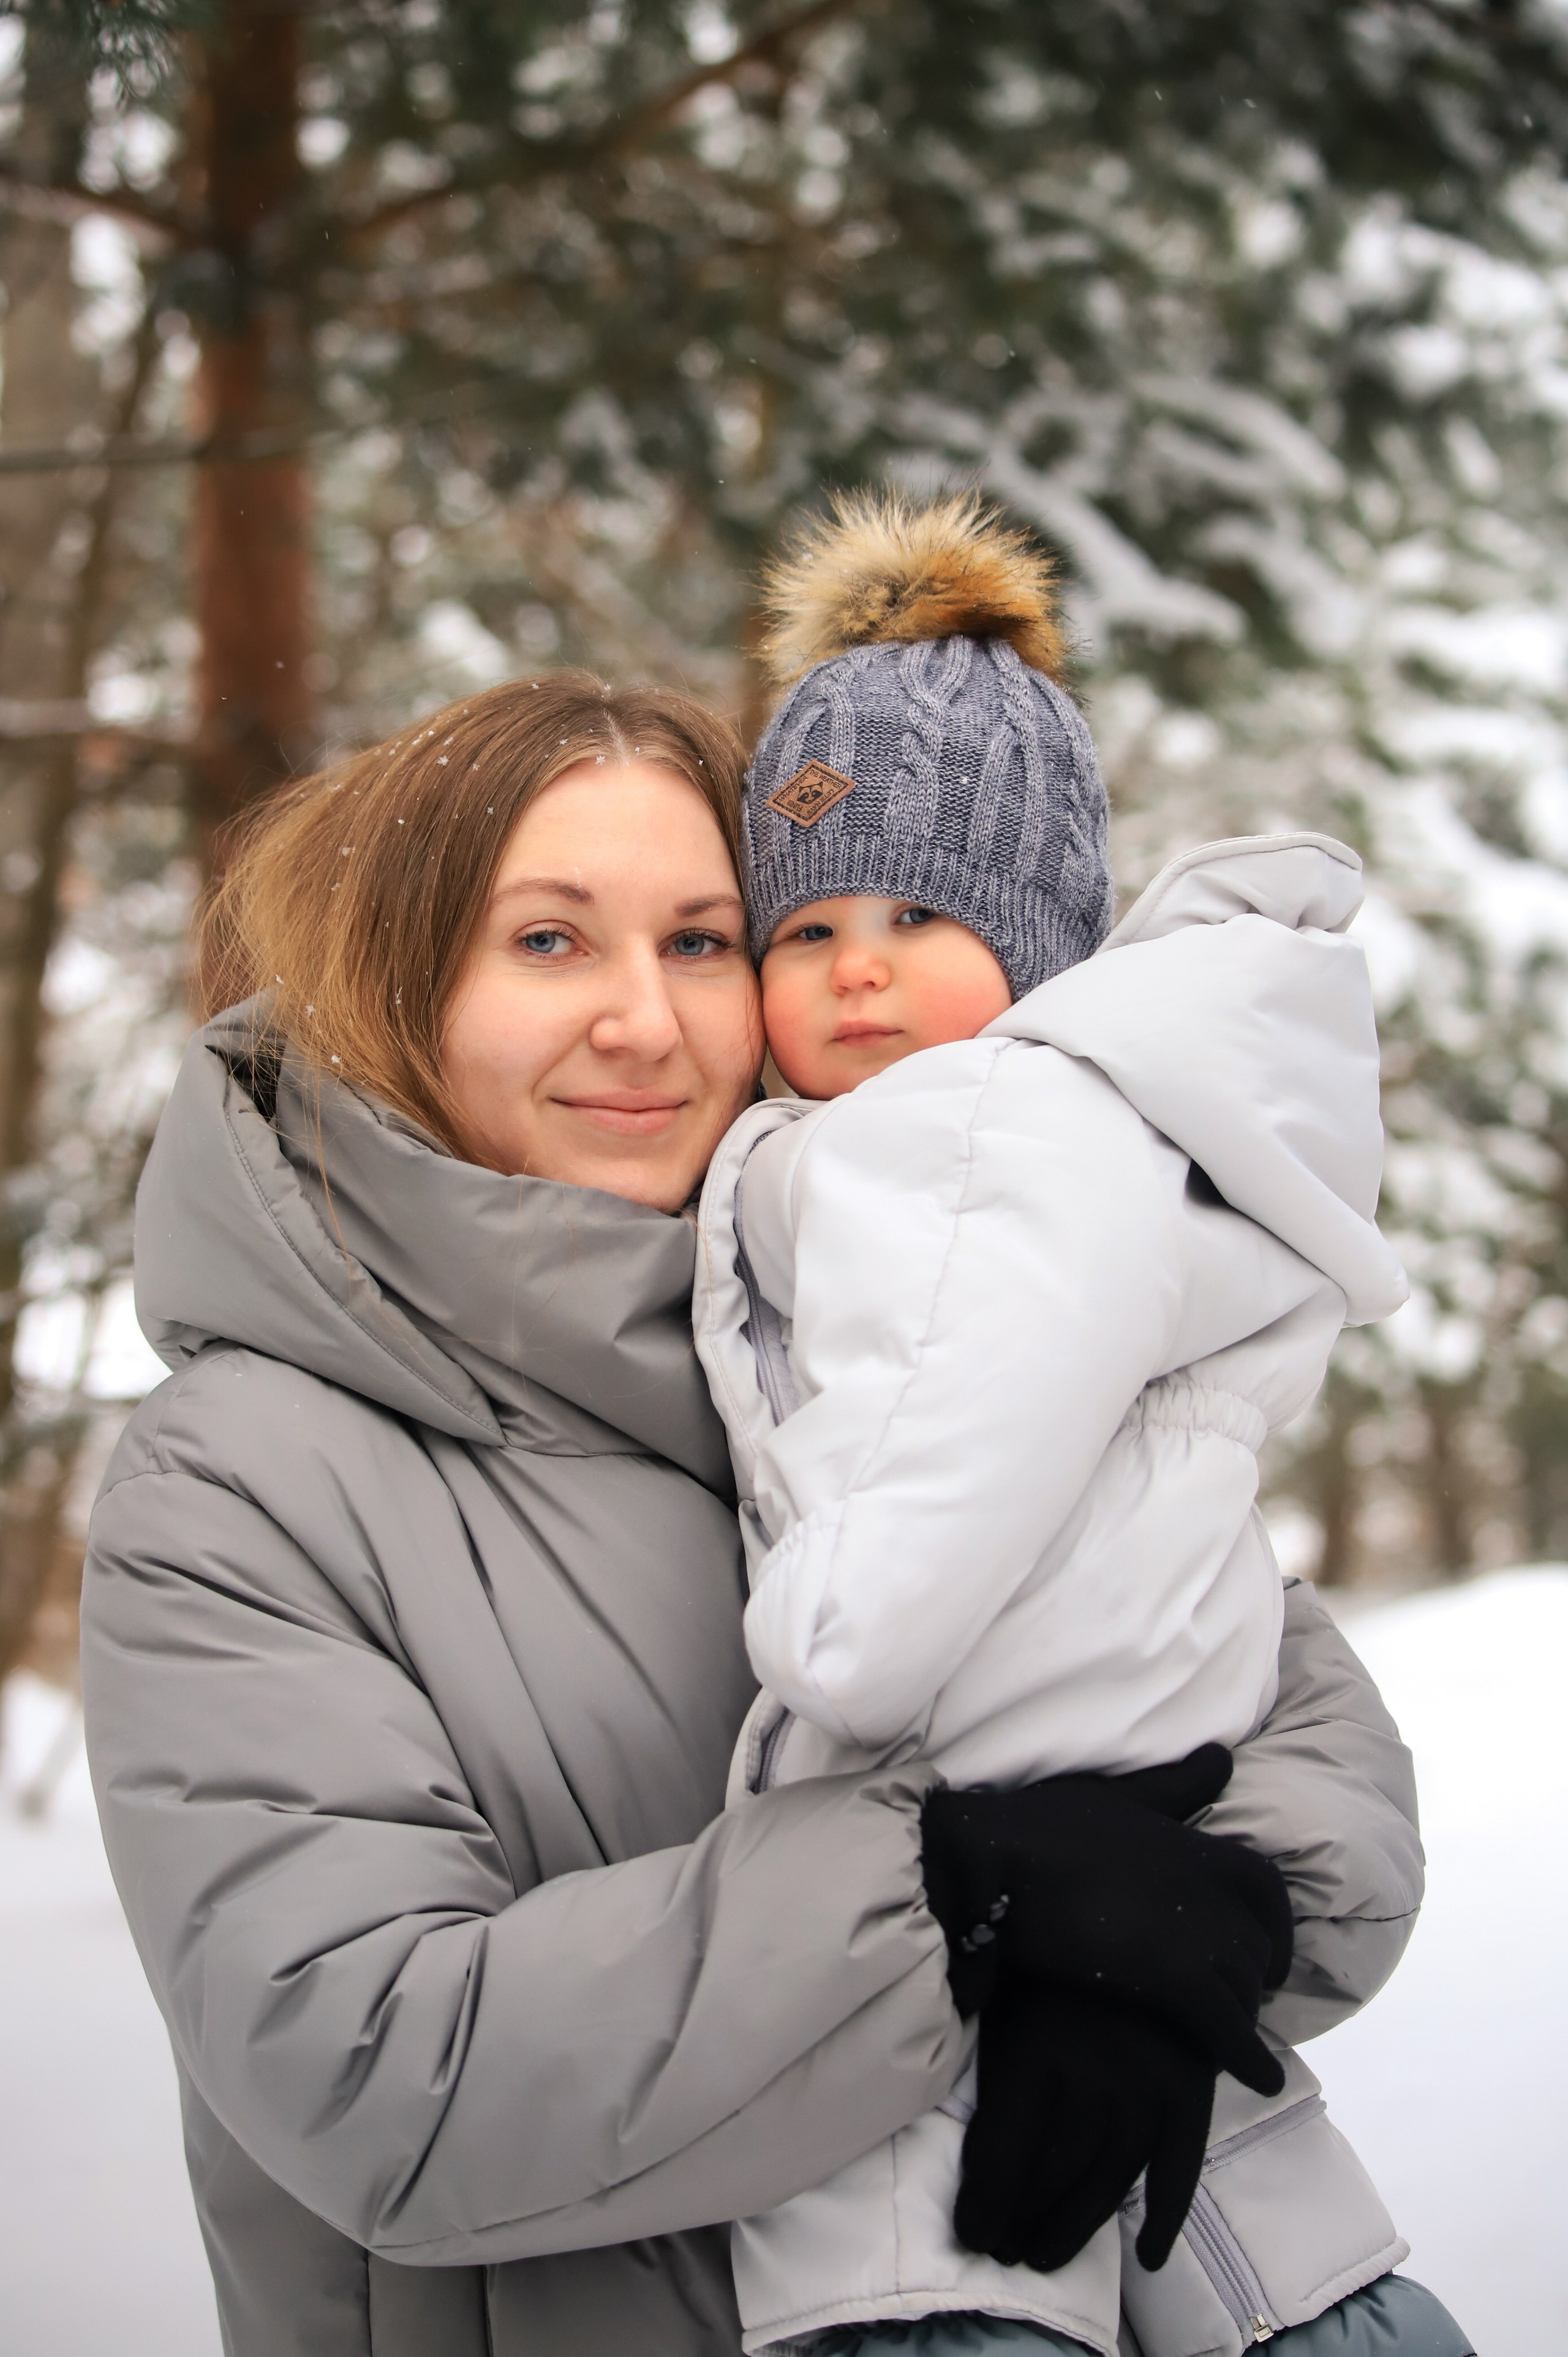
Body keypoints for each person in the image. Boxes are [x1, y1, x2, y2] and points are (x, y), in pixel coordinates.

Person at [81, 669, 1427, 2357]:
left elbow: (1301, 1742)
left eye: (704, 940)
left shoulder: (882, 1328)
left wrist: (1176, 1936)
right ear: (396, 982)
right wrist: (960, 1910)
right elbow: (377, 2073)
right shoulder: (243, 1475)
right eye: (550, 941)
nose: (646, 1020)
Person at [693, 496, 1473, 2357]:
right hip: (1137, 1843)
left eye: (916, 914)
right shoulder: (1110, 1139)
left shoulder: (976, 1138)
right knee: (1284, 2280)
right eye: (803, 928)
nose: (855, 968)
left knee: (943, 2287)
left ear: (1039, 943)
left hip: (953, 1867)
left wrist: (834, 1628)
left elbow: (969, 1426)